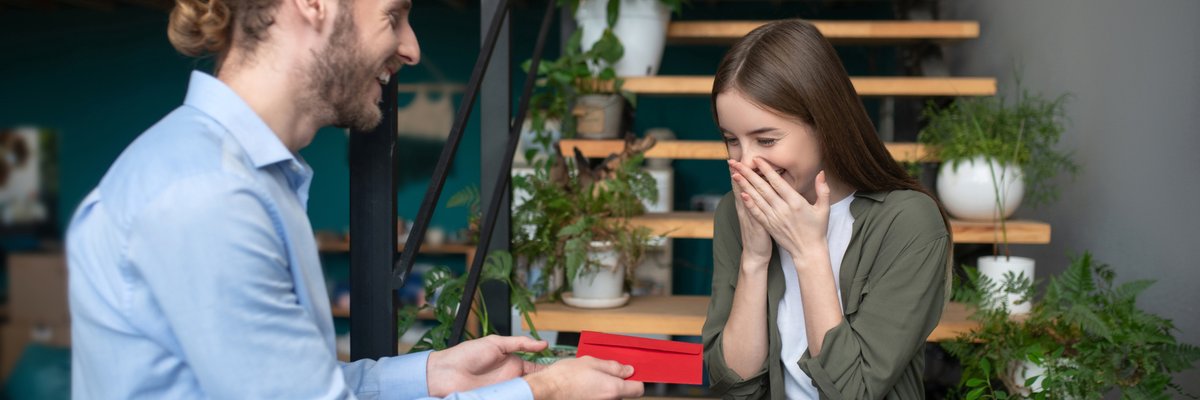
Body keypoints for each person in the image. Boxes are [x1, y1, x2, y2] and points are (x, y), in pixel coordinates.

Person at [65, 0, 645, 398]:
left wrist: (435, 373)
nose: (411, 48)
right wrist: (537, 391)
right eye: (393, 15)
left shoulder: (248, 177)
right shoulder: (207, 195)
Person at [701, 19, 953, 399]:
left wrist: (808, 252)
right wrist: (754, 259)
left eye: (766, 140)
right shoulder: (736, 212)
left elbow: (855, 392)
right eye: (731, 140)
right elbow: (731, 385)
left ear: (825, 123)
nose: (746, 163)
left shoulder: (908, 223)